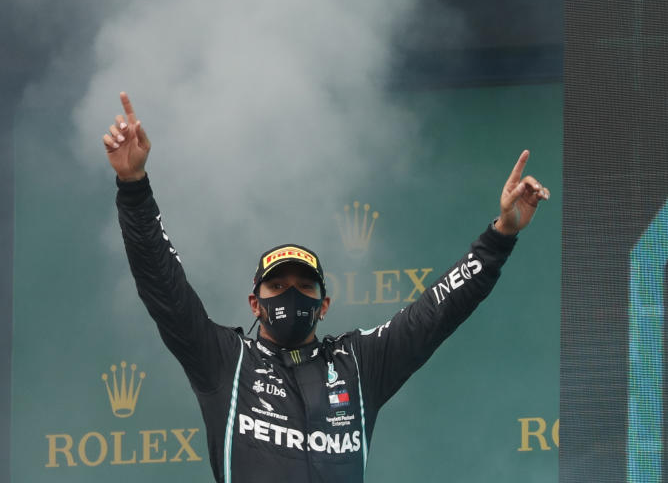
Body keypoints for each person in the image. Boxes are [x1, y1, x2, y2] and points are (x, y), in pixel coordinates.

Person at [103, 92, 550, 483]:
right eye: (277, 285)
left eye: (304, 285)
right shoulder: (224, 361)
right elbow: (162, 283)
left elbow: (437, 310)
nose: (291, 293)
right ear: (254, 304)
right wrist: (133, 186)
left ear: (325, 303)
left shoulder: (359, 363)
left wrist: (500, 235)